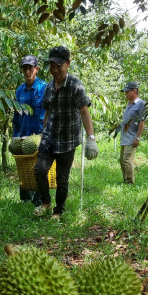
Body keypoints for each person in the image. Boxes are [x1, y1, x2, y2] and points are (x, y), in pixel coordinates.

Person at [32, 46, 98, 222]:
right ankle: (45, 202)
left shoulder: (76, 87)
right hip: (50, 137)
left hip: (68, 140)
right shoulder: (48, 87)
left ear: (68, 64)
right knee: (39, 170)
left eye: (58, 65)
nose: (54, 70)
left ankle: (58, 211)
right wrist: (43, 132)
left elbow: (84, 112)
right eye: (52, 65)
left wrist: (91, 139)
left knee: (62, 179)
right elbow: (47, 113)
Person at [12, 55, 47, 206]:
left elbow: (49, 112)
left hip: (39, 135)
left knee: (38, 168)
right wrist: (15, 135)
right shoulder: (19, 91)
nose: (27, 71)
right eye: (24, 68)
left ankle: (39, 200)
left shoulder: (44, 88)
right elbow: (16, 115)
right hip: (23, 135)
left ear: (36, 70)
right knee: (24, 167)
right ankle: (25, 199)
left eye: (30, 68)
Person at [117, 81, 146, 184]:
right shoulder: (129, 104)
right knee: (122, 161)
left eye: (127, 92)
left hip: (132, 137)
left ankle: (129, 182)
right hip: (125, 137)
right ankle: (125, 180)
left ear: (134, 91)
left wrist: (137, 138)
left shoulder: (141, 104)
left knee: (127, 160)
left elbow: (142, 122)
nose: (125, 94)